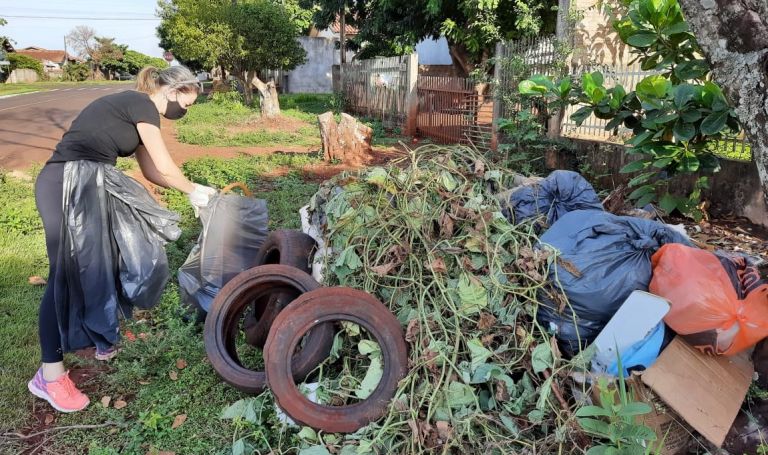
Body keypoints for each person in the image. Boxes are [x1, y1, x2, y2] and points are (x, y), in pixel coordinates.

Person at [28, 66, 215, 413]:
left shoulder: (141, 114)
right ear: (174, 92)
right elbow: (166, 163)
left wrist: (193, 192)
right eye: (187, 104)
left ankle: (102, 335)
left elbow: (151, 171)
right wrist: (194, 191)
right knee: (65, 274)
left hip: (89, 183)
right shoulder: (141, 104)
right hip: (65, 183)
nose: (185, 112)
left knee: (109, 258)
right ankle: (49, 376)